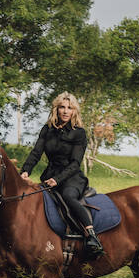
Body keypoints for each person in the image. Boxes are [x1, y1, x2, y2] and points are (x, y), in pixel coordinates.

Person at [20, 92, 104, 258]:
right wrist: (25, 171)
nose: (65, 111)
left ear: (74, 111)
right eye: (62, 107)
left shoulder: (78, 133)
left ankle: (91, 236)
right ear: (56, 109)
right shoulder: (47, 130)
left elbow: (75, 163)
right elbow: (36, 153)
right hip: (49, 176)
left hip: (71, 178)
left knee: (68, 197)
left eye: (69, 108)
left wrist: (57, 180)